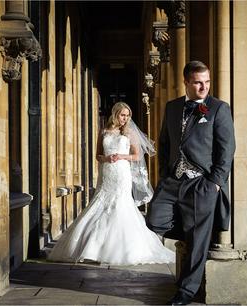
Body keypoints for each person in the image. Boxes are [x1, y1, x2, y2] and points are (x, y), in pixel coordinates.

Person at [146, 61, 236, 305]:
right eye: (197, 82)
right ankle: (190, 227)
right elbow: (164, 142)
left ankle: (186, 292)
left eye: (207, 82)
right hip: (173, 181)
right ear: (186, 82)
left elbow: (226, 149)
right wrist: (165, 174)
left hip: (201, 184)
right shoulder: (173, 107)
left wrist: (215, 183)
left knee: (198, 243)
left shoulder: (218, 109)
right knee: (154, 218)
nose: (203, 87)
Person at [48, 102, 175, 265]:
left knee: (120, 205)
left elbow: (136, 156)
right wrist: (107, 158)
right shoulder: (104, 132)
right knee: (100, 203)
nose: (125, 118)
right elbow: (98, 155)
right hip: (107, 173)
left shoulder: (129, 133)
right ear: (115, 114)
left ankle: (120, 249)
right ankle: (92, 248)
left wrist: (121, 157)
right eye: (123, 115)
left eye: (128, 115)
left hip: (122, 173)